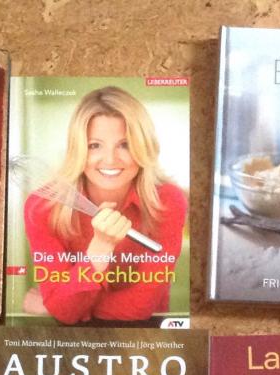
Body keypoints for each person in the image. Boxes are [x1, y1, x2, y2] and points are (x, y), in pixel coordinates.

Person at [23, 86, 187, 325]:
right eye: (94, 145)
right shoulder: (42, 207)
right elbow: (64, 312)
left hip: (146, 334)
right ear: (78, 149)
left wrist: (55, 306)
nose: (110, 160)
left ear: (143, 146)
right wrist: (101, 247)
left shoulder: (168, 200)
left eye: (125, 144)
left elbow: (141, 307)